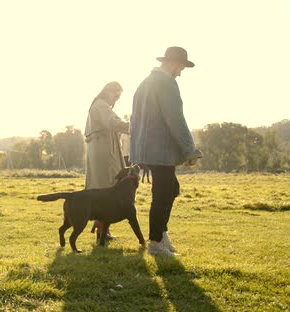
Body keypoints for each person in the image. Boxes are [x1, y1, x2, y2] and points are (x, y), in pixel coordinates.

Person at [130, 46, 203, 257]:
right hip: (161, 149)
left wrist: (137, 150)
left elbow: (135, 120)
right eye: (181, 67)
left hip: (146, 148)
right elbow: (175, 118)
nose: (180, 72)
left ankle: (162, 234)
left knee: (170, 189)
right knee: (162, 194)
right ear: (173, 63)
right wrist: (190, 150)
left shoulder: (145, 83)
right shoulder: (166, 83)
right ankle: (156, 242)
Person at [84, 81, 129, 240]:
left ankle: (102, 226)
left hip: (104, 152)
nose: (116, 99)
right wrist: (136, 128)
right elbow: (113, 123)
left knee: (104, 189)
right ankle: (102, 228)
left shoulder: (100, 106)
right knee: (106, 189)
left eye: (119, 96)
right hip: (105, 153)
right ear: (108, 91)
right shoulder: (101, 105)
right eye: (115, 95)